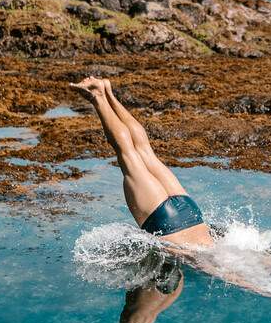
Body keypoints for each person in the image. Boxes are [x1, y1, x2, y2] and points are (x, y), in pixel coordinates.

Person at [72, 77, 214, 247]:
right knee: (127, 154)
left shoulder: (234, 259)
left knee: (145, 151)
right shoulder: (218, 265)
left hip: (192, 213)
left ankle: (108, 92)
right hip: (166, 225)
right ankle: (98, 96)